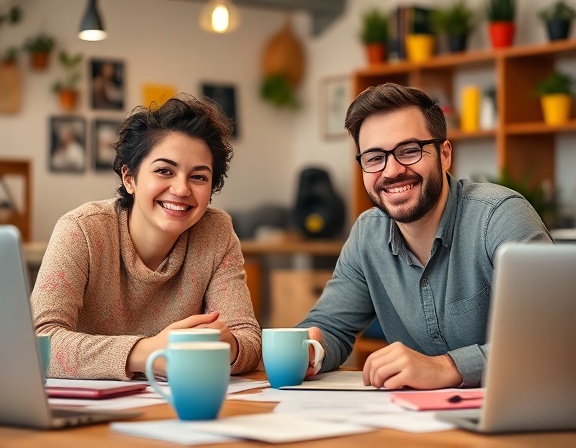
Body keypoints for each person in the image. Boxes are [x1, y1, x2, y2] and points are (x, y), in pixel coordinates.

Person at [297, 83, 552, 390]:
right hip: (416, 421)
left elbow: (549, 338)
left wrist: (446, 367)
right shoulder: (368, 235)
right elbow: (330, 328)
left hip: (515, 415)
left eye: (408, 151)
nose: (391, 171)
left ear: (444, 155)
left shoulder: (499, 216)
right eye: (374, 157)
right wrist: (312, 348)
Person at [32, 94, 262, 380]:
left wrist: (231, 347)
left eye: (199, 177)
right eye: (164, 171)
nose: (181, 189)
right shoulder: (82, 230)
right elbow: (39, 343)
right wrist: (149, 352)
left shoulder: (216, 232)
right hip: (85, 406)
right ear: (129, 178)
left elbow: (249, 340)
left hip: (174, 406)